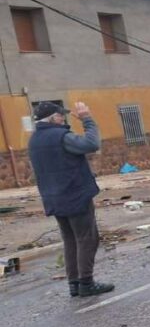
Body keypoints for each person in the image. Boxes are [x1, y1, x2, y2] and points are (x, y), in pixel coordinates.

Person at [28, 101, 114, 297]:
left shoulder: (33, 140)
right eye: (60, 116)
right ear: (51, 118)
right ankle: (86, 282)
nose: (63, 118)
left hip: (53, 197)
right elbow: (91, 144)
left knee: (69, 240)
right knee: (86, 238)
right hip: (75, 194)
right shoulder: (61, 136)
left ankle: (74, 283)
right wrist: (87, 119)